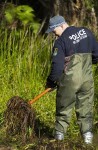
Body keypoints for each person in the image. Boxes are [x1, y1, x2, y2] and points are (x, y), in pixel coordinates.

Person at [45, 15, 98, 144]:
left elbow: (57, 67)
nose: (54, 35)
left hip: (69, 82)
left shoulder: (61, 41)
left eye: (54, 31)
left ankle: (59, 139)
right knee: (86, 108)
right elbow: (96, 56)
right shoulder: (86, 32)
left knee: (64, 108)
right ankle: (88, 140)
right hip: (87, 80)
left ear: (62, 25)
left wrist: (51, 82)